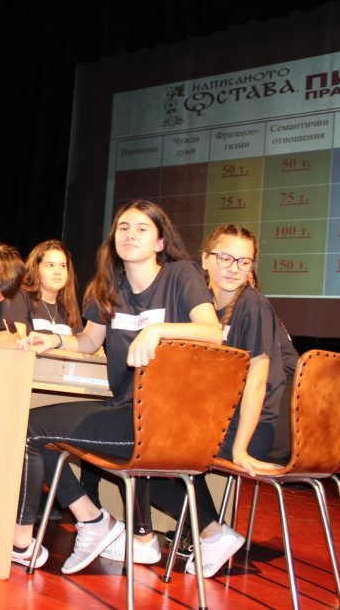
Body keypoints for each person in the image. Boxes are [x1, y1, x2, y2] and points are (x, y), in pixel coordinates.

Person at [10, 200, 222, 573]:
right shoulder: (107, 287)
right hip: (125, 408)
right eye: (123, 228)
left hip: (164, 417)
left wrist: (157, 330)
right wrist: (55, 340)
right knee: (32, 428)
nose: (129, 235)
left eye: (142, 229)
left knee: (32, 433)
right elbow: (90, 341)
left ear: (160, 242)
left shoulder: (180, 275)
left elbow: (212, 333)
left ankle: (33, 539)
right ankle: (90, 520)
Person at [119, 224, 297, 578]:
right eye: (225, 258)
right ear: (205, 259)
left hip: (255, 428)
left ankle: (178, 535)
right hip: (220, 421)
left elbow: (258, 382)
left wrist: (242, 448)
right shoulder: (205, 309)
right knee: (144, 437)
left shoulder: (252, 304)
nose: (233, 268)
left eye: (244, 261)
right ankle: (207, 533)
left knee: (148, 447)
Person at [4, 239, 81, 338]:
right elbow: (18, 340)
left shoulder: (69, 303)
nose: (58, 271)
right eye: (50, 265)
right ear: (36, 268)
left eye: (62, 266)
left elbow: (82, 342)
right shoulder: (21, 296)